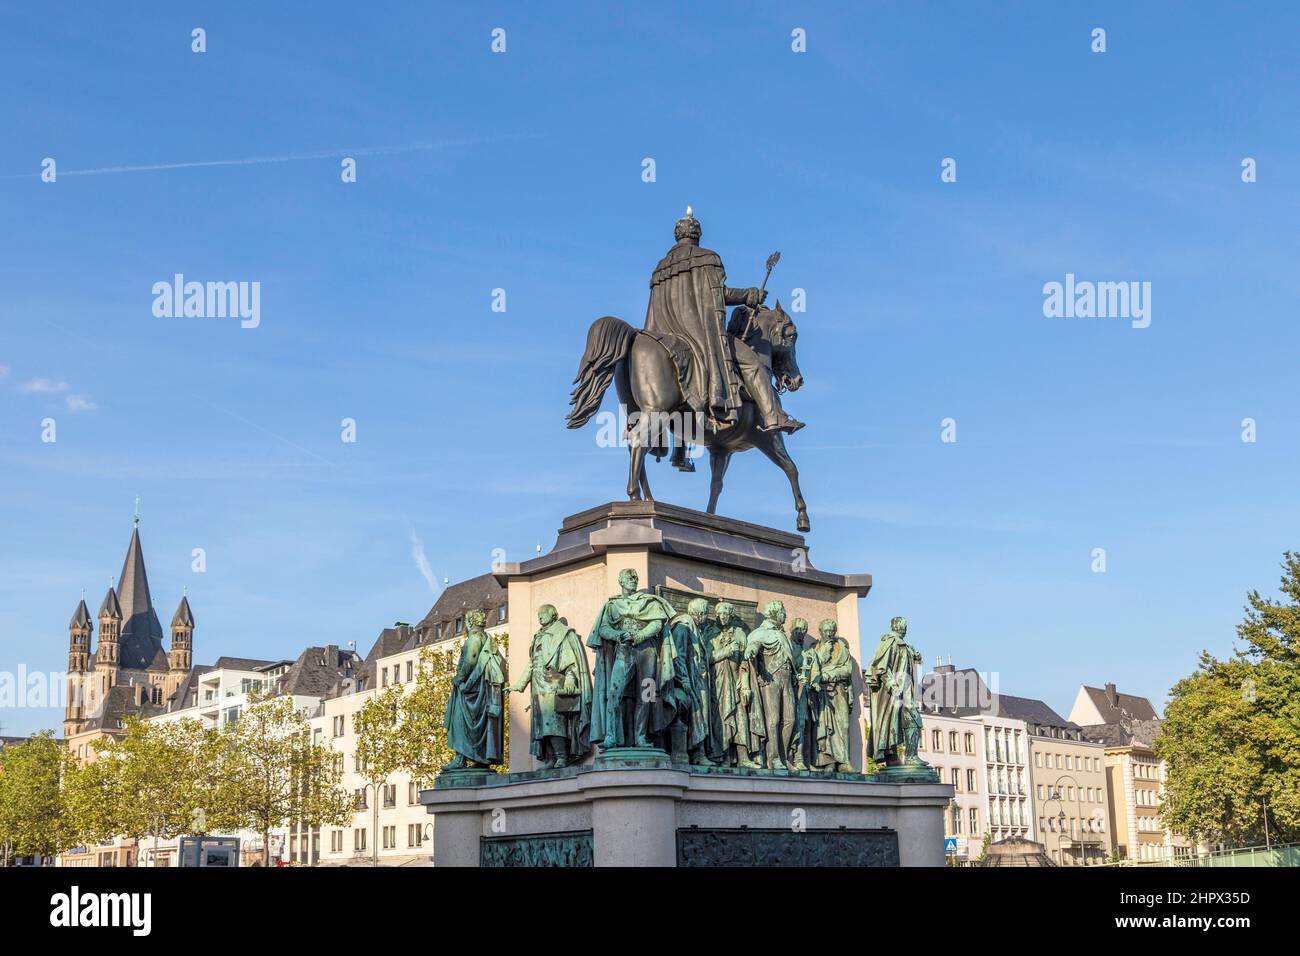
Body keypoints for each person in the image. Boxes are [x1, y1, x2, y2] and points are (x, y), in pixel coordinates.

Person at [644, 208, 805, 463]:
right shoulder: (706, 258)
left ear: (677, 236)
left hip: (665, 335)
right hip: (700, 334)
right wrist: (749, 295)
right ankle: (775, 416)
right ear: (697, 234)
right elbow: (717, 294)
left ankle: (678, 448)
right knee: (752, 363)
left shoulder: (660, 269)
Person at [586, 569, 677, 750]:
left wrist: (640, 635)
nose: (634, 580)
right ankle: (611, 735)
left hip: (647, 652)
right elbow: (603, 629)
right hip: (624, 650)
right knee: (614, 692)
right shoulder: (612, 606)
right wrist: (619, 635)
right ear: (620, 580)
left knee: (647, 694)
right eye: (630, 577)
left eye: (636, 577)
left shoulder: (649, 601)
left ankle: (641, 736)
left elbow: (657, 623)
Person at [510, 604, 593, 769]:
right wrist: (520, 684)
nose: (539, 617)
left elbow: (570, 661)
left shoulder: (562, 633)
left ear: (553, 614)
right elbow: (533, 663)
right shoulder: (538, 636)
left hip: (553, 683)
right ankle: (550, 757)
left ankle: (562, 756)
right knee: (541, 724)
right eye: (538, 614)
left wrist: (570, 680)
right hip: (538, 686)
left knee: (554, 721)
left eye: (542, 613)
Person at [443, 609, 506, 769]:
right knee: (480, 725)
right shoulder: (487, 638)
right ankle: (480, 758)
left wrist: (460, 678)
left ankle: (460, 759)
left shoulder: (474, 638)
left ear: (470, 622)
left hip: (471, 689)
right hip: (482, 689)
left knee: (460, 722)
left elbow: (470, 660)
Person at [743, 600, 800, 770]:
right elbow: (753, 645)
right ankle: (773, 758)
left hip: (787, 681)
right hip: (769, 681)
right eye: (783, 612)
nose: (785, 615)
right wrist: (751, 650)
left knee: (790, 719)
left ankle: (783, 756)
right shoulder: (760, 633)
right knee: (773, 720)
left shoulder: (783, 636)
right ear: (775, 613)